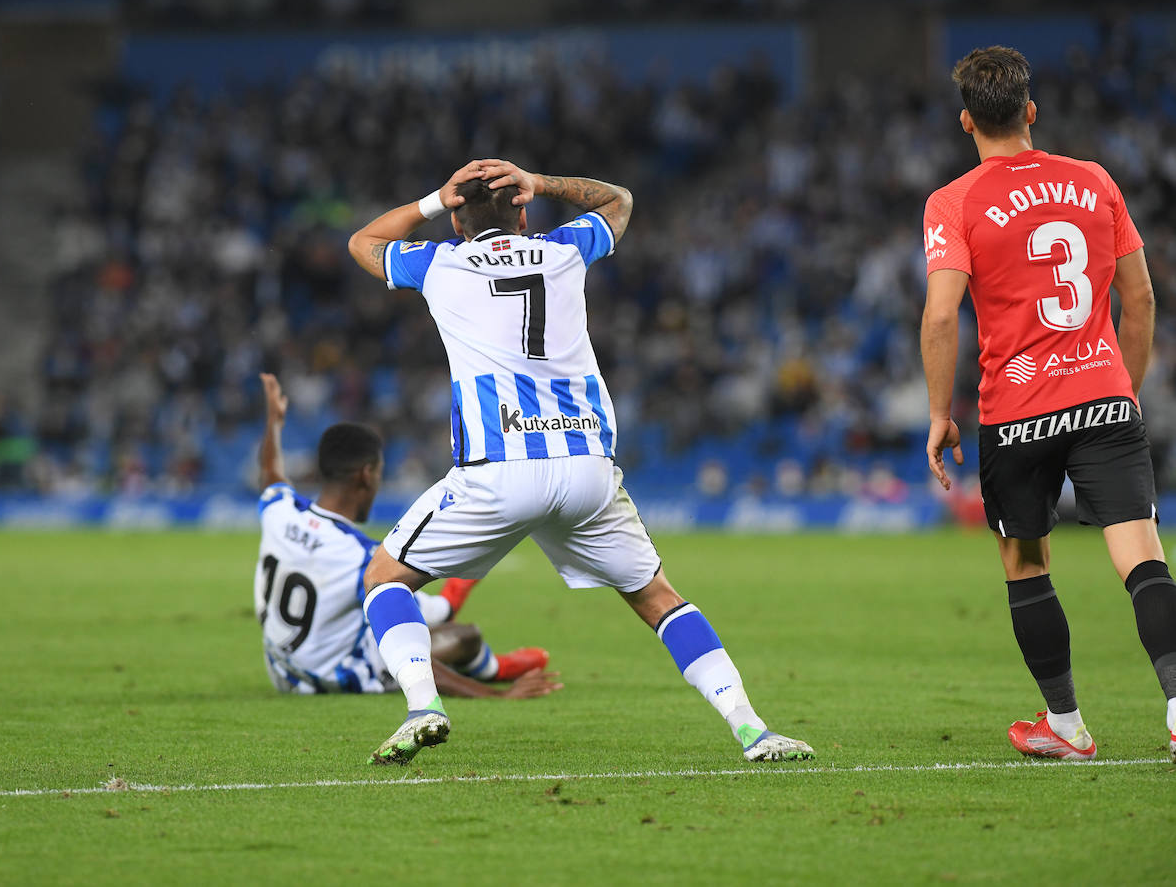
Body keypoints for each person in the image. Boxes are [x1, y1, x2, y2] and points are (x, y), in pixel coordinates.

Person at [347, 159, 815, 765]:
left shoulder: (439, 261)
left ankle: (423, 707)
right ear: (522, 210)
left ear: (458, 221)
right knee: (659, 599)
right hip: (586, 466)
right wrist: (542, 184)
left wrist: (436, 200)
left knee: (385, 579)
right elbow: (618, 199)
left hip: (500, 466)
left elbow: (364, 241)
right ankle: (753, 729)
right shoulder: (563, 251)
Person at [921, 46, 1176, 761]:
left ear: (967, 121)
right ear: (1031, 112)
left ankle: (1065, 726)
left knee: (1027, 564)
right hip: (1104, 403)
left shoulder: (956, 202)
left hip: (1019, 418)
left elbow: (942, 317)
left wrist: (941, 412)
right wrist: (1117, 386)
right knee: (1143, 560)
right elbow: (1142, 298)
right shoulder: (1095, 183)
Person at [254, 372, 559, 699]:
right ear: (367, 474)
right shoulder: (362, 558)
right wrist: (494, 696)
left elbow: (271, 471)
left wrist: (273, 422)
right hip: (332, 678)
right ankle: (494, 671)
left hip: (282, 670)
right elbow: (442, 611)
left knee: (399, 628)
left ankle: (491, 664)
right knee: (459, 636)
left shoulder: (280, 511)